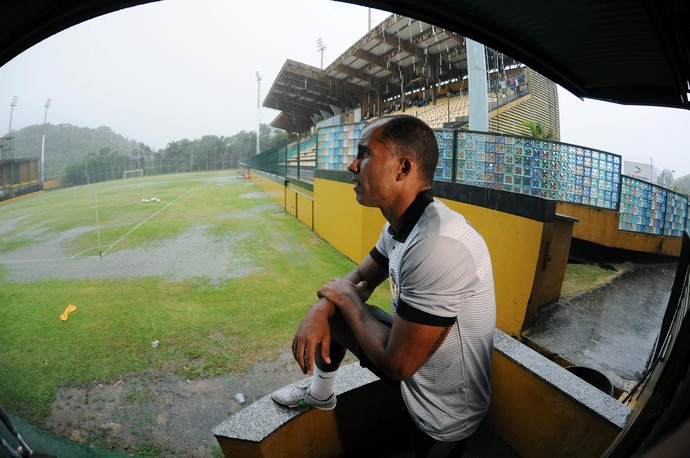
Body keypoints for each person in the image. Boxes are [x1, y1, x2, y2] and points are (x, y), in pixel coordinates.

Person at [271, 115, 496, 457]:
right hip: (417, 373)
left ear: (402, 169)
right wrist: (321, 307)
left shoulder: (438, 245)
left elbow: (398, 366)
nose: (351, 165)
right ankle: (321, 394)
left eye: (364, 154)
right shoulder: (399, 226)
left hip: (447, 412)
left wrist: (346, 299)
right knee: (334, 314)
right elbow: (359, 279)